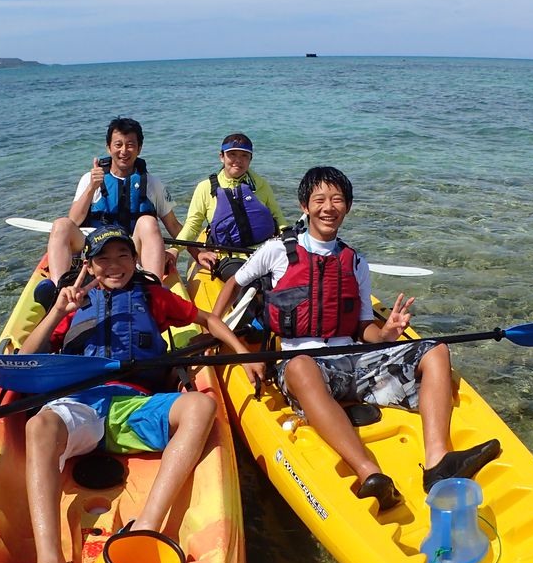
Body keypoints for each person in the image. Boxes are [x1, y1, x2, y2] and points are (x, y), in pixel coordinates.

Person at [212, 166, 500, 511]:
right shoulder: (276, 251)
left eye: (337, 200)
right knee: (302, 367)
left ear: (347, 207)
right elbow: (235, 283)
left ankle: (438, 461)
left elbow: (365, 329)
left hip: (353, 361)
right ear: (305, 206)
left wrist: (387, 332)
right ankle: (369, 474)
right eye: (319, 199)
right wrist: (230, 340)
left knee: (435, 350)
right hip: (303, 365)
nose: (328, 207)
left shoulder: (354, 262)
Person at [12, 225, 263, 563]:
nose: (114, 266)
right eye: (103, 259)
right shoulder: (73, 304)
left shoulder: (153, 296)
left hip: (135, 408)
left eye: (123, 256)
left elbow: (208, 321)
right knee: (38, 425)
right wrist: (58, 312)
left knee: (200, 407)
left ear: (134, 260)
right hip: (82, 404)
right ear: (90, 265)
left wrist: (244, 357)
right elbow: (24, 363)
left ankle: (146, 529)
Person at [39, 117, 183, 307]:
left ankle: (153, 292)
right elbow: (73, 220)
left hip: (130, 249)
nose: (124, 151)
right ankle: (61, 291)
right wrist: (92, 187)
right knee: (61, 225)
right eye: (118, 145)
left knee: (148, 221)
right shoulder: (90, 179)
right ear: (108, 147)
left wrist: (196, 252)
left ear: (139, 148)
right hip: (95, 247)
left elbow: (173, 225)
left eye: (130, 145)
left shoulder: (153, 183)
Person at [177, 133, 289, 277]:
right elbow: (192, 225)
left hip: (265, 251)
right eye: (232, 155)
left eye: (244, 156)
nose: (238, 160)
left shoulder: (261, 185)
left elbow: (278, 217)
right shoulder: (205, 188)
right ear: (221, 156)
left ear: (250, 159)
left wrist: (290, 238)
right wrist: (175, 250)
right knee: (249, 283)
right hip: (229, 257)